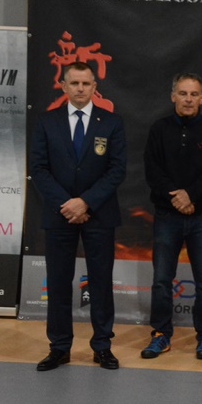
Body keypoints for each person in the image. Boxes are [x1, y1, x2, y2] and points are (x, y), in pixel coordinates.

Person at [29, 61, 127, 371]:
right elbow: (39, 169)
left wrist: (85, 203)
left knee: (100, 283)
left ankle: (102, 346)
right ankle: (59, 347)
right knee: (59, 283)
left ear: (95, 87)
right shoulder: (47, 121)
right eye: (75, 83)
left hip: (99, 214)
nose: (81, 89)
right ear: (64, 86)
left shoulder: (111, 122)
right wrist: (68, 204)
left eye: (86, 83)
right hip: (60, 215)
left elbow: (117, 170)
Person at [141, 73, 202, 360]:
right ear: (173, 96)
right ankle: (160, 335)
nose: (188, 99)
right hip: (167, 215)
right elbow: (152, 170)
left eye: (193, 94)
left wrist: (191, 196)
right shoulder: (159, 129)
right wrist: (176, 198)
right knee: (162, 280)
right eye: (183, 93)